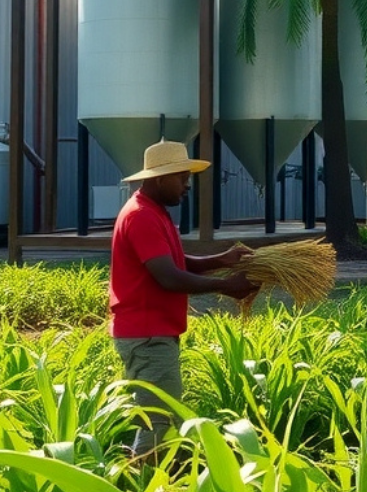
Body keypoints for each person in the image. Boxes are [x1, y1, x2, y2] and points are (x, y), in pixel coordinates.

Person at [110, 139, 261, 460]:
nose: (187, 185)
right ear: (160, 178)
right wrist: (226, 287)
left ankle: (161, 478)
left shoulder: (154, 212)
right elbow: (168, 277)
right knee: (159, 419)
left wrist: (223, 259)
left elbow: (174, 260)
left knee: (164, 414)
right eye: (182, 177)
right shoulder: (141, 217)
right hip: (147, 335)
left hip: (152, 332)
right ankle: (140, 488)